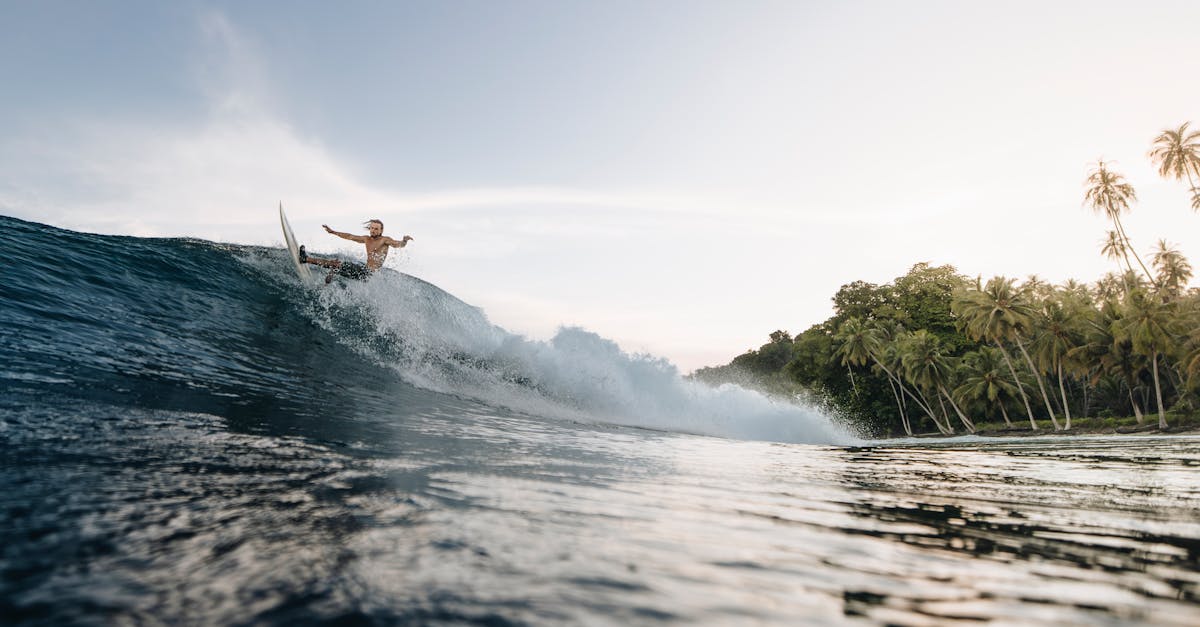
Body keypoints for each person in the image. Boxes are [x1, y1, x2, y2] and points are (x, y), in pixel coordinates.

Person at [299, 219, 414, 283]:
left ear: (381, 230)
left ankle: (305, 259)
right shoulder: (366, 239)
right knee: (337, 263)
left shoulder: (385, 240)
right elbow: (350, 236)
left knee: (337, 264)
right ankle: (329, 278)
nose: (373, 230)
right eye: (372, 228)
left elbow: (398, 244)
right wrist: (333, 232)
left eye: (376, 229)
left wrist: (404, 241)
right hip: (364, 271)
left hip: (368, 274)